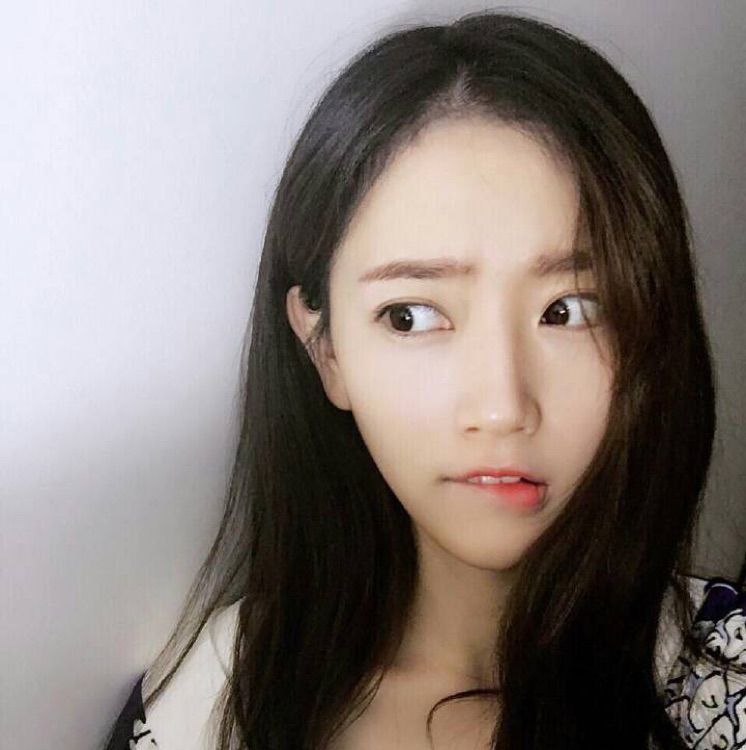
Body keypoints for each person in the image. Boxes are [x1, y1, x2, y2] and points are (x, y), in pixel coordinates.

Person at [101, 9, 746, 750]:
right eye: (410, 316)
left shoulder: (721, 678)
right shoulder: (207, 708)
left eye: (569, 310)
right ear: (325, 349)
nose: (501, 408)